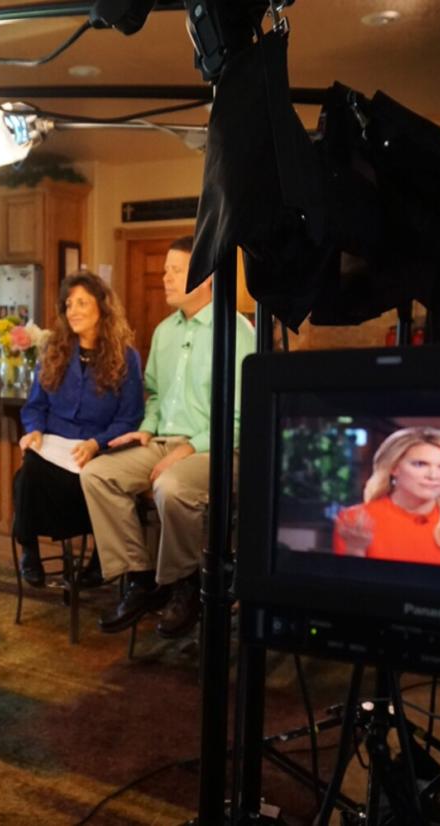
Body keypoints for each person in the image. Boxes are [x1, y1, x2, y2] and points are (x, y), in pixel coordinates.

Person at [81, 236, 255, 638]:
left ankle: (187, 584)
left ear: (206, 276)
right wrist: (144, 429)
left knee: (171, 487)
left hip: (217, 447)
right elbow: (156, 396)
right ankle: (140, 578)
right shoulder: (164, 332)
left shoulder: (237, 330)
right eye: (165, 270)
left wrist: (186, 451)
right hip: (161, 440)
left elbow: (243, 416)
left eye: (176, 270)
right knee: (96, 474)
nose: (166, 278)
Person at [14, 271, 143, 587]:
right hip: (54, 446)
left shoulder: (126, 357)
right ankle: (29, 550)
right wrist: (34, 430)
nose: (73, 310)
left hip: (97, 452)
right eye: (69, 304)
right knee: (28, 470)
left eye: (82, 302)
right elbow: (35, 406)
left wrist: (96, 443)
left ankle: (99, 562)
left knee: (97, 483)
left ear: (102, 307)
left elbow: (130, 418)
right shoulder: (53, 350)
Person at [333, 426, 440, 568]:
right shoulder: (356, 520)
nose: (433, 476)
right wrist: (355, 550)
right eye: (420, 464)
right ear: (394, 467)